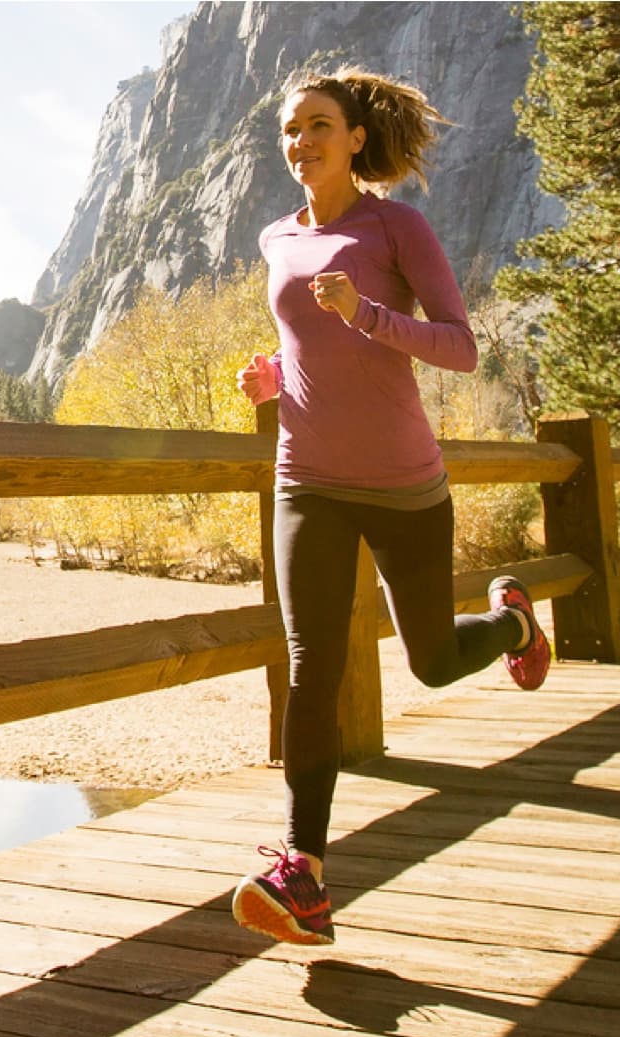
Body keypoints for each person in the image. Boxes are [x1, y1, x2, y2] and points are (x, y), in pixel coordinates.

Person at [228, 67, 552, 947]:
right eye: (291, 130)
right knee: (310, 667)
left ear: (356, 138)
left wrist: (368, 315)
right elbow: (305, 343)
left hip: (405, 482)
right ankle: (305, 873)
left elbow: (462, 348)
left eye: (319, 126)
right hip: (307, 480)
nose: (302, 142)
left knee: (435, 661)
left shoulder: (395, 225)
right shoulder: (275, 240)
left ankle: (515, 627)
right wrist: (274, 376)